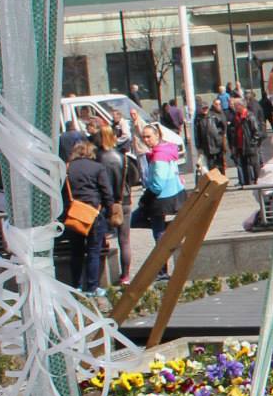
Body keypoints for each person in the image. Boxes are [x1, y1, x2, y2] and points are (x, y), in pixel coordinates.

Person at [134, 123, 184, 275]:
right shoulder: (166, 149)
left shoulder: (159, 155)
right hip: (172, 195)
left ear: (157, 136)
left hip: (160, 199)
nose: (146, 140)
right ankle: (170, 229)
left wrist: (144, 199)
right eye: (143, 137)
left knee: (144, 226)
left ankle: (162, 271)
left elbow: (158, 184)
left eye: (148, 136)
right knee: (157, 231)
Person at [64, 139, 112, 296]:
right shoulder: (97, 167)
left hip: (73, 214)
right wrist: (109, 211)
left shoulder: (67, 168)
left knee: (76, 252)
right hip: (94, 212)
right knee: (93, 251)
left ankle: (76, 285)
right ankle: (92, 287)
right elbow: (107, 192)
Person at [94, 122, 130, 285]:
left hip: (104, 202)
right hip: (123, 200)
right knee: (125, 240)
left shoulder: (98, 157)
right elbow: (132, 177)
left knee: (101, 239)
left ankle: (101, 277)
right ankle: (125, 276)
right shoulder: (123, 156)